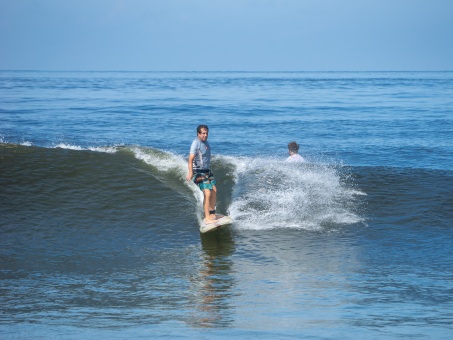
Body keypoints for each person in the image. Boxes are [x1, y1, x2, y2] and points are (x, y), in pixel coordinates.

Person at [186, 125, 219, 224]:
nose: (205, 135)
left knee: (214, 191)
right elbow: (191, 158)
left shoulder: (206, 143)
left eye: (206, 133)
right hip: (198, 172)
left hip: (206, 171)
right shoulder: (195, 143)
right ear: (198, 134)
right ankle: (207, 217)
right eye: (203, 133)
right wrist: (191, 172)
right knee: (207, 193)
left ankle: (212, 213)